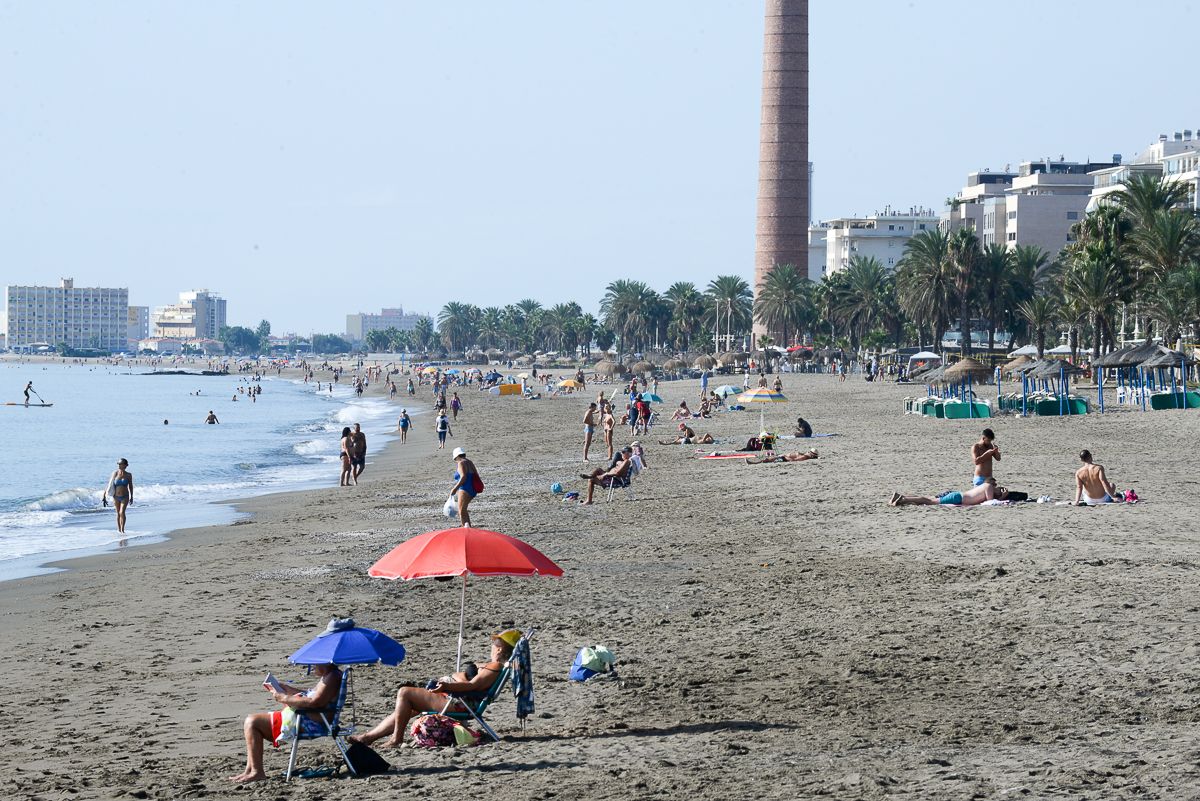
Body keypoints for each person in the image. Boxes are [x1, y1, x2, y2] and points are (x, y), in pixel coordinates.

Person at [349, 631, 519, 749]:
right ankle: (368, 738)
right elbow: (472, 678)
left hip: (459, 703)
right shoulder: (496, 666)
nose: (491, 647)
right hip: (458, 699)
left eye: (493, 644)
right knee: (409, 706)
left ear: (499, 648)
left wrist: (447, 686)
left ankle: (396, 739)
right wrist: (460, 675)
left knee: (405, 692)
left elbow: (472, 686)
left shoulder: (495, 666)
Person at [229, 662, 343, 783]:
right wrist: (289, 690)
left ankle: (257, 772)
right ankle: (250, 770)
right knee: (251, 721)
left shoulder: (332, 677)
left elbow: (315, 702)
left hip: (310, 723)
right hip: (308, 719)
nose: (312, 667)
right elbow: (310, 696)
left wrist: (284, 698)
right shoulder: (330, 675)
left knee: (252, 722)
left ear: (324, 662)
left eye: (314, 664)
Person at [889, 478, 1009, 507]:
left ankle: (902, 499)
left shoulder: (984, 485)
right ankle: (903, 498)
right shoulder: (988, 486)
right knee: (929, 501)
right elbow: (990, 502)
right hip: (957, 498)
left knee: (928, 499)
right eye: (998, 489)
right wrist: (1002, 497)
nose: (997, 490)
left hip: (957, 495)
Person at [450, 447, 481, 527]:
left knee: (461, 511)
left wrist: (455, 488)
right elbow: (475, 474)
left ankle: (466, 530)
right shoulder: (470, 462)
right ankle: (468, 527)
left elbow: (463, 477)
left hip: (465, 489)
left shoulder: (461, 463)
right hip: (473, 489)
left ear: (456, 456)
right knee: (464, 510)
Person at [102, 458, 134, 534]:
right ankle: (119, 530)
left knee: (121, 512)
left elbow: (130, 486)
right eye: (119, 464)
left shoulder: (128, 475)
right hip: (115, 496)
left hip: (125, 496)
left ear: (126, 465)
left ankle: (123, 530)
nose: (119, 466)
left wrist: (132, 496)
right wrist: (104, 495)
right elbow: (109, 484)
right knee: (118, 513)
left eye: (121, 464)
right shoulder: (115, 473)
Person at [746, 449, 817, 464]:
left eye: (809, 452)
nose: (807, 451)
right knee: (769, 459)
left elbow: (793, 460)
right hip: (784, 457)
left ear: (811, 454)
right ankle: (754, 462)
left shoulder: (804, 457)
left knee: (768, 460)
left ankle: (753, 463)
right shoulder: (804, 455)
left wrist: (784, 457)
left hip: (784, 459)